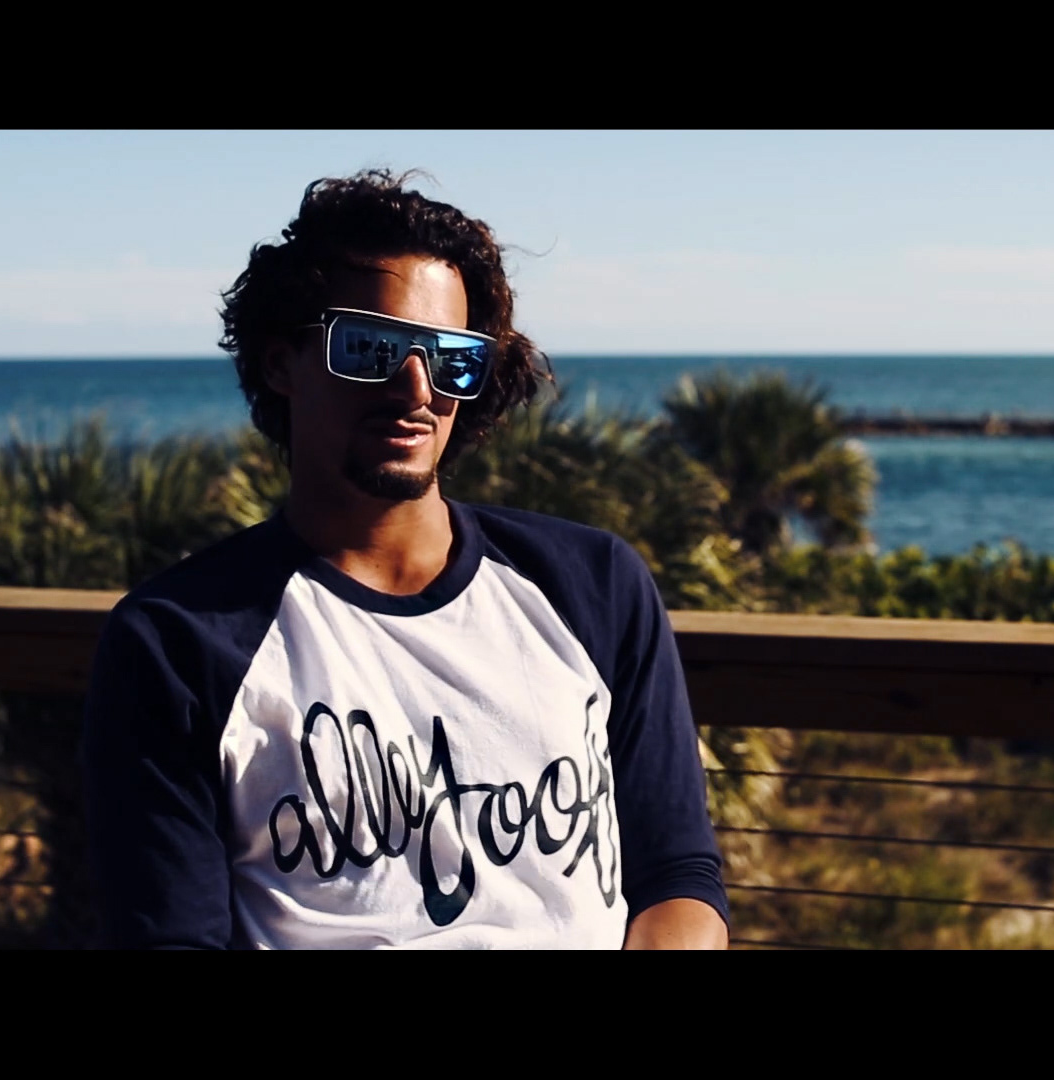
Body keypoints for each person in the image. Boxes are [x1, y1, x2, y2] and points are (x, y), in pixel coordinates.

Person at [78, 169, 729, 949]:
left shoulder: (594, 586)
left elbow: (678, 879)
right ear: (282, 363)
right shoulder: (178, 642)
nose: (417, 387)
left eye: (453, 357)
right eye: (372, 348)